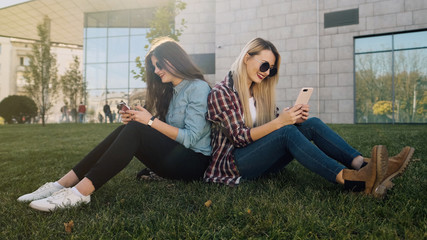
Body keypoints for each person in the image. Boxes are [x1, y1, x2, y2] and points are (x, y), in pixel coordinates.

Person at [17, 37, 212, 211]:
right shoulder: (171, 91)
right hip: (175, 157)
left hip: (193, 164)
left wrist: (150, 122)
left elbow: (191, 138)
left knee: (137, 129)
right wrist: (141, 119)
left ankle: (79, 193)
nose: (156, 71)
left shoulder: (198, 88)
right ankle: (61, 184)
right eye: (154, 66)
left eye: (159, 64)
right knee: (129, 127)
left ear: (175, 59)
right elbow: (165, 133)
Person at [204, 38, 414, 197]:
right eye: (264, 65)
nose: (267, 73)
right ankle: (350, 180)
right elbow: (240, 138)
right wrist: (281, 122)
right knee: (286, 132)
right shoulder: (222, 92)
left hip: (260, 159)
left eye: (272, 69)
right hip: (233, 165)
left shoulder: (258, 92)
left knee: (310, 124)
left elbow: (272, 126)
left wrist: (291, 117)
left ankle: (363, 166)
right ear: (247, 57)